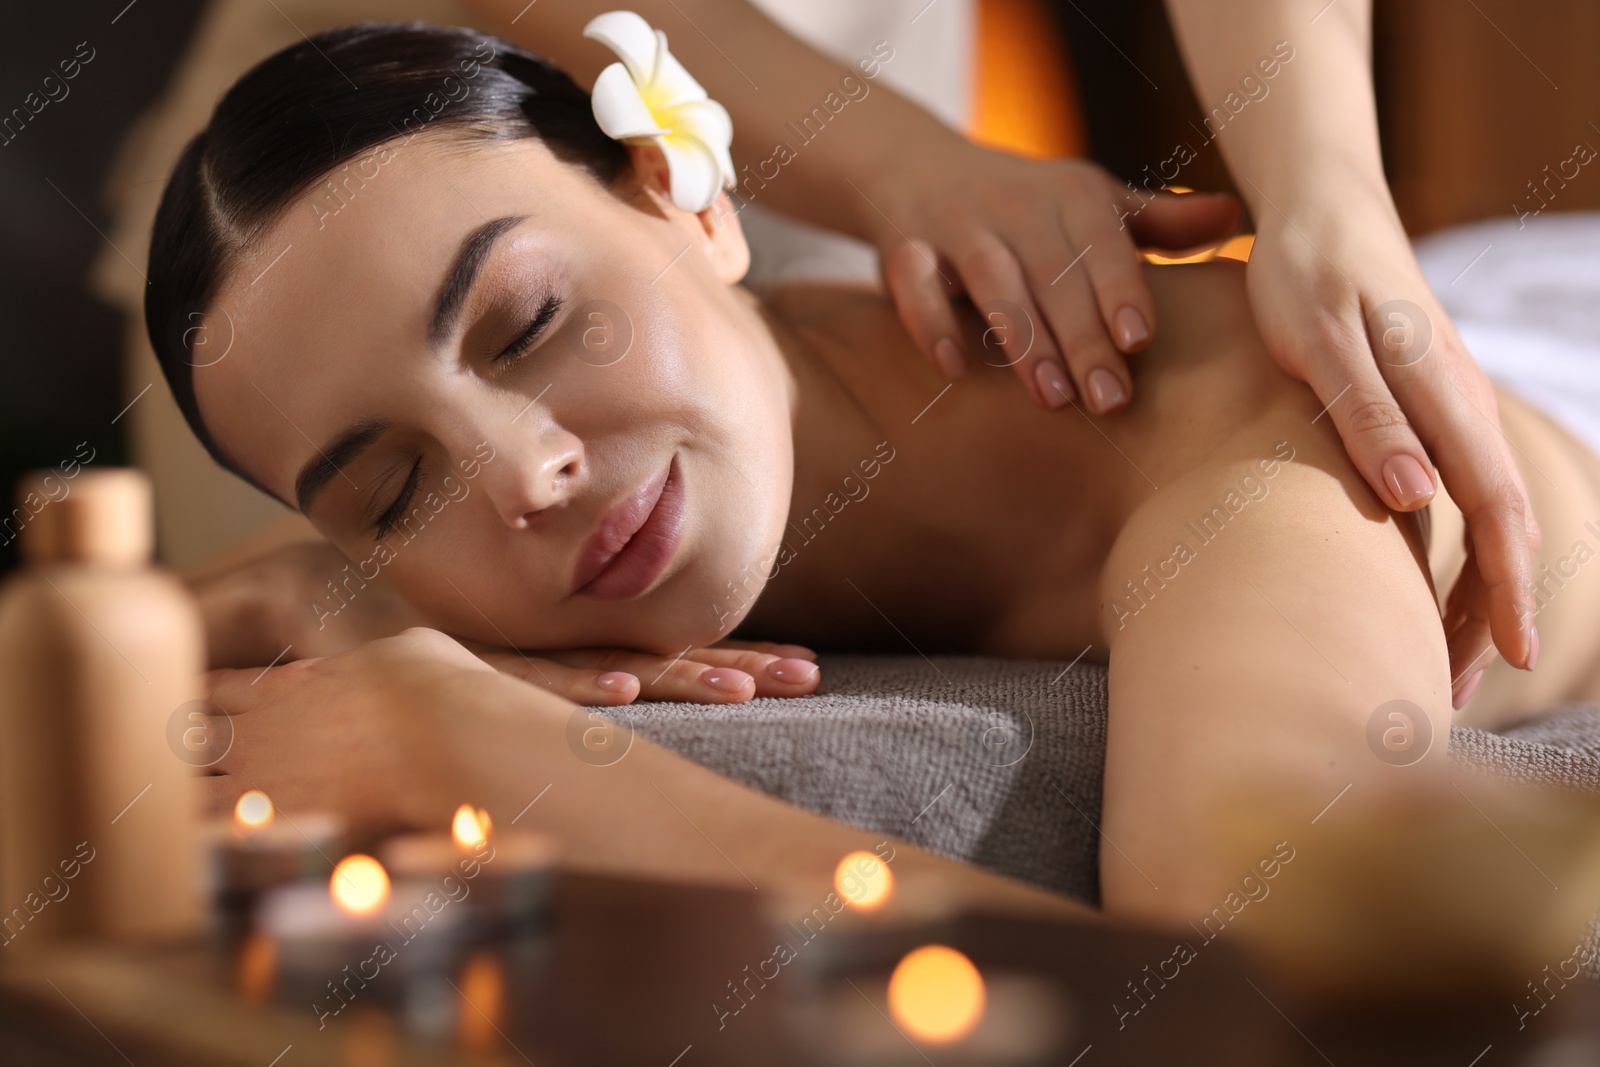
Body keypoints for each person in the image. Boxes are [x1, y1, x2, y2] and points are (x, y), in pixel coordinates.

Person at [147, 24, 1600, 925]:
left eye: (528, 324)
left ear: (686, 197)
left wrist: (506, 766)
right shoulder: (507, 523)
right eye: (390, 494)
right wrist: (298, 590)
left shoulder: (1260, 491)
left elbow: (1252, 970)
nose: (528, 475)